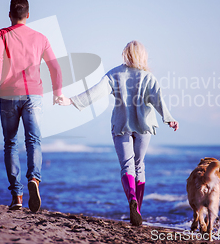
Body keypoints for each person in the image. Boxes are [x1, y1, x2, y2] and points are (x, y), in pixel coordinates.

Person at [57, 40, 179, 226]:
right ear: (143, 56)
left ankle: (131, 198)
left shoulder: (114, 74)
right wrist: (169, 118)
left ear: (126, 54)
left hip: (121, 125)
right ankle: (137, 209)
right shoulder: (148, 77)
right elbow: (158, 99)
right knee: (139, 166)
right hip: (144, 126)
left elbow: (95, 92)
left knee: (127, 166)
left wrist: (72, 101)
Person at [0, 0, 62, 212]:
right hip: (33, 95)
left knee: (11, 143)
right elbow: (55, 68)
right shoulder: (41, 38)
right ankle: (35, 179)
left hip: (8, 94)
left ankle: (17, 196)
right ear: (28, 15)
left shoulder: (1, 34)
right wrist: (57, 92)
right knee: (33, 140)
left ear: (10, 14)